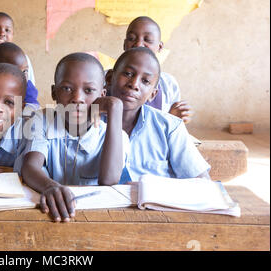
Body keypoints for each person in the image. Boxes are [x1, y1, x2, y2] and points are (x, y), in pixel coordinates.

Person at [16, 53, 128, 222]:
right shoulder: (42, 120)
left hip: (95, 219)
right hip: (48, 217)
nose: (77, 98)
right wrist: (50, 187)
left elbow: (108, 179)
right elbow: (30, 167)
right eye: (67, 88)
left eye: (89, 90)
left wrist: (115, 108)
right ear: (54, 93)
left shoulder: (116, 136)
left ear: (102, 95)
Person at [109, 47, 210, 184]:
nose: (134, 84)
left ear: (153, 94)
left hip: (154, 204)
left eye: (145, 81)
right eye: (128, 73)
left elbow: (202, 182)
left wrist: (151, 188)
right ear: (109, 78)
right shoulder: (87, 121)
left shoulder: (170, 127)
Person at [107, 16, 193, 123]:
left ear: (160, 47)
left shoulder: (168, 85)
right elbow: (86, 123)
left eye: (147, 40)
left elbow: (169, 127)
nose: (138, 44)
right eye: (131, 38)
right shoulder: (102, 78)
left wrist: (172, 120)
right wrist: (93, 118)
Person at [0, 42, 39, 109]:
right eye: (15, 72)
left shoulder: (28, 88)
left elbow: (32, 107)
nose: (22, 76)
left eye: (25, 71)